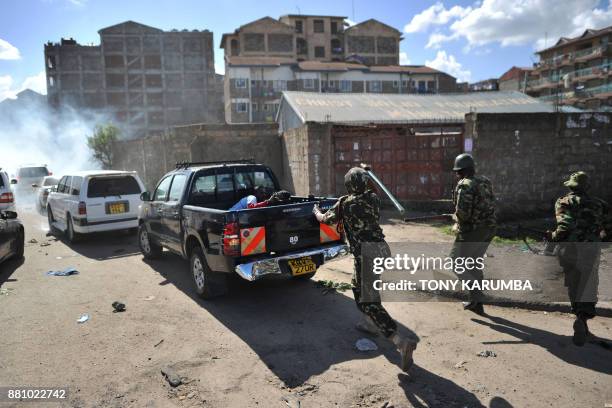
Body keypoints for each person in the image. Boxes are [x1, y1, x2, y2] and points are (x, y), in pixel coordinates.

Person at [313, 167, 417, 372]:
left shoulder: (346, 204)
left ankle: (400, 341)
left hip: (367, 255)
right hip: (379, 251)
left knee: (370, 301)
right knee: (357, 288)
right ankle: (370, 323)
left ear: (350, 185)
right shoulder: (373, 198)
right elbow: (370, 190)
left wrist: (316, 211)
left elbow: (326, 220)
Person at [548, 171, 611, 346]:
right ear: (587, 187)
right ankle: (582, 319)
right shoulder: (600, 205)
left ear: (570, 186)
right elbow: (609, 228)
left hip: (568, 250)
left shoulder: (563, 202)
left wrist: (552, 236)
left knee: (573, 283)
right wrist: (602, 241)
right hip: (590, 250)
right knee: (588, 284)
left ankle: (578, 316)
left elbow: (564, 227)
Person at [450, 153, 496, 315]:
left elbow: (463, 214)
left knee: (455, 263)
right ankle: (477, 302)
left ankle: (476, 296)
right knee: (474, 264)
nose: (456, 174)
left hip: (472, 231)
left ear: (462, 171)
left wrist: (455, 216)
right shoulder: (485, 181)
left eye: (458, 171)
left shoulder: (465, 185)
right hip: (488, 229)